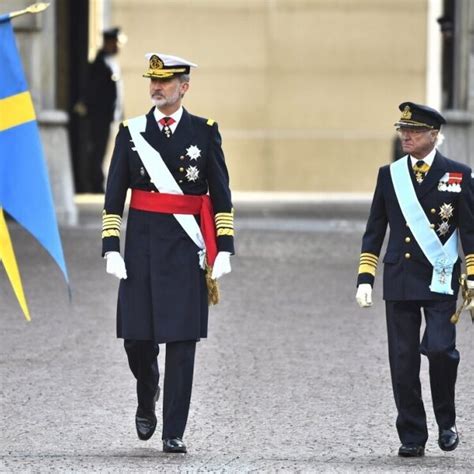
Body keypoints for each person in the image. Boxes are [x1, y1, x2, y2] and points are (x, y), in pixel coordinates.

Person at [101, 52, 234, 454]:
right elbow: (113, 197)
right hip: (140, 247)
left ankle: (174, 429)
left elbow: (221, 195)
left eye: (165, 82)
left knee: (182, 342)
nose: (156, 88)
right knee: (136, 340)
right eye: (152, 81)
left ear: (184, 87)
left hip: (185, 249)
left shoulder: (205, 132)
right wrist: (111, 246)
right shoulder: (131, 132)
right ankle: (147, 392)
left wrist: (223, 248)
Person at [355, 102, 474, 457]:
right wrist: (365, 277)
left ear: (434, 135)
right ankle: (412, 433)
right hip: (401, 277)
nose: (406, 136)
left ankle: (447, 421)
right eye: (403, 130)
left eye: (415, 131)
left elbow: (469, 230)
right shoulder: (389, 175)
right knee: (403, 360)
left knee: (440, 350)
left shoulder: (458, 174)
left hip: (440, 278)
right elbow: (375, 229)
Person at [78, 27, 124, 193]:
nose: (119, 46)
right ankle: (95, 183)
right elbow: (95, 93)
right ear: (110, 42)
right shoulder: (100, 62)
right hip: (100, 117)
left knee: (103, 150)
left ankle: (99, 182)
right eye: (117, 42)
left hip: (109, 117)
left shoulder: (111, 61)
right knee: (97, 149)